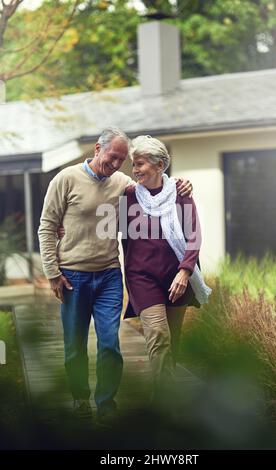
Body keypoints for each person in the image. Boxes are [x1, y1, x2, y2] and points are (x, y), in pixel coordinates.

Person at [38, 127, 192, 420]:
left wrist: (183, 184)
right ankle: (80, 399)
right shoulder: (65, 179)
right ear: (97, 149)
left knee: (110, 343)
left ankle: (106, 404)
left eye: (122, 160)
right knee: (74, 345)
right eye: (113, 157)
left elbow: (158, 188)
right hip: (72, 276)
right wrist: (52, 272)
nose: (117, 165)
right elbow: (47, 226)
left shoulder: (122, 183)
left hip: (109, 274)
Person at [121, 135, 212, 409]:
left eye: (139, 164)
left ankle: (168, 393)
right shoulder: (128, 196)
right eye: (133, 165)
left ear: (159, 165)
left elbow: (193, 236)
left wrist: (185, 272)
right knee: (158, 335)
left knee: (173, 340)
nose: (134, 170)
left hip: (176, 278)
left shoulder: (180, 194)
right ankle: (163, 404)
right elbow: (104, 224)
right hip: (141, 277)